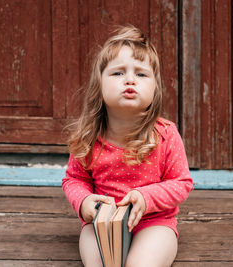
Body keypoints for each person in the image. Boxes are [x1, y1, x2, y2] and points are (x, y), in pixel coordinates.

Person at [62, 25, 193, 267]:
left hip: (153, 223)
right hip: (101, 223)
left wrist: (146, 197)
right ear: (99, 87)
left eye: (141, 74)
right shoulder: (89, 137)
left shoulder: (165, 135)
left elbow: (182, 183)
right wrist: (83, 202)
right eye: (118, 73)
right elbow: (73, 179)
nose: (130, 79)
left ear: (155, 90)